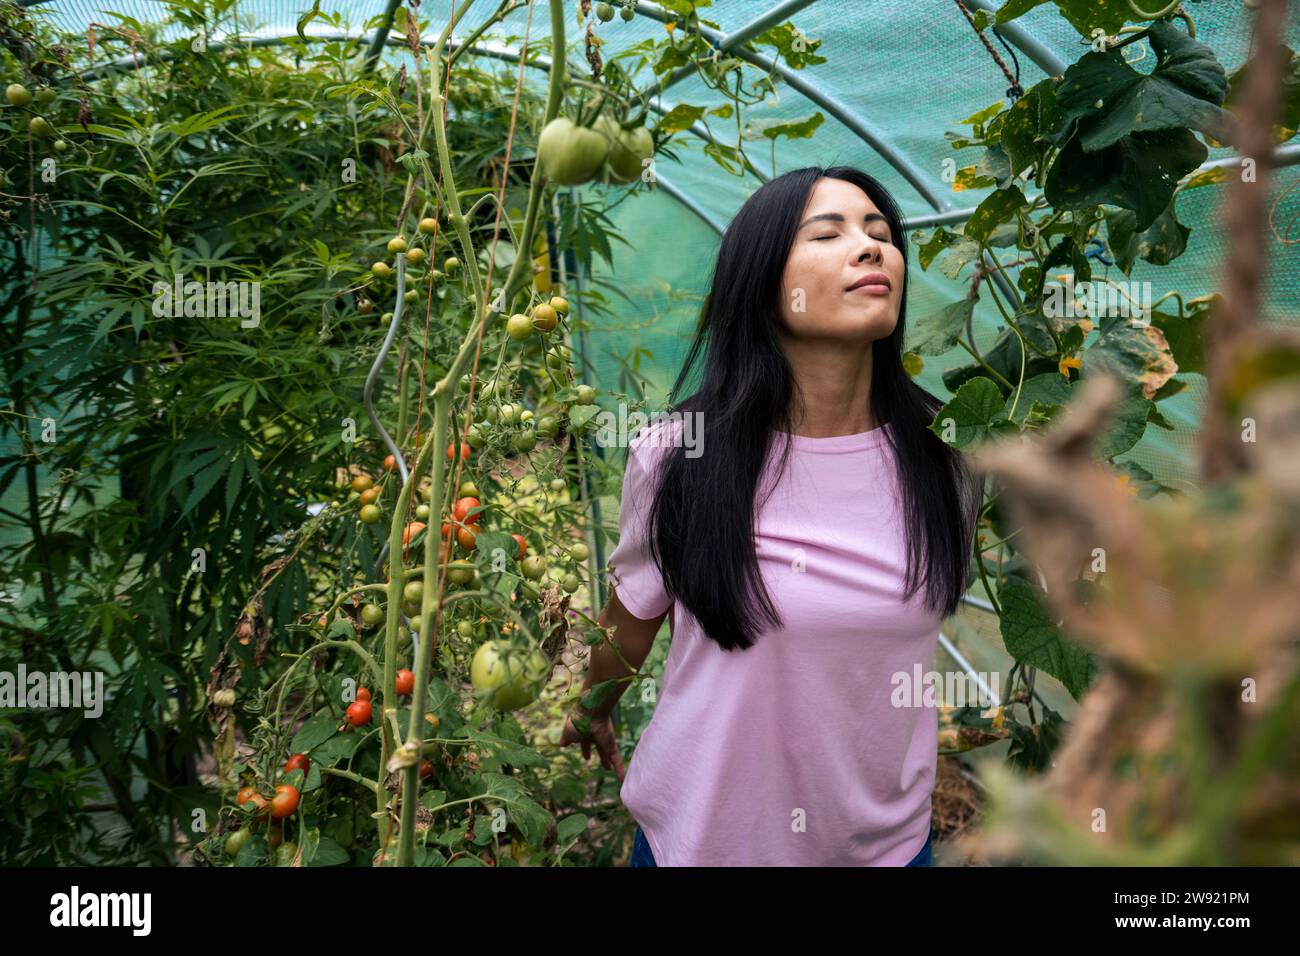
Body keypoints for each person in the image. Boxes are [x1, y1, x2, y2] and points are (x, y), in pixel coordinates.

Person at [557, 166, 980, 866]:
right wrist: (592, 708)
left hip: (883, 850)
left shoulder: (946, 451)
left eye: (880, 233)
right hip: (700, 842)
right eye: (829, 233)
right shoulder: (677, 455)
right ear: (761, 281)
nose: (870, 246)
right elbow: (629, 620)